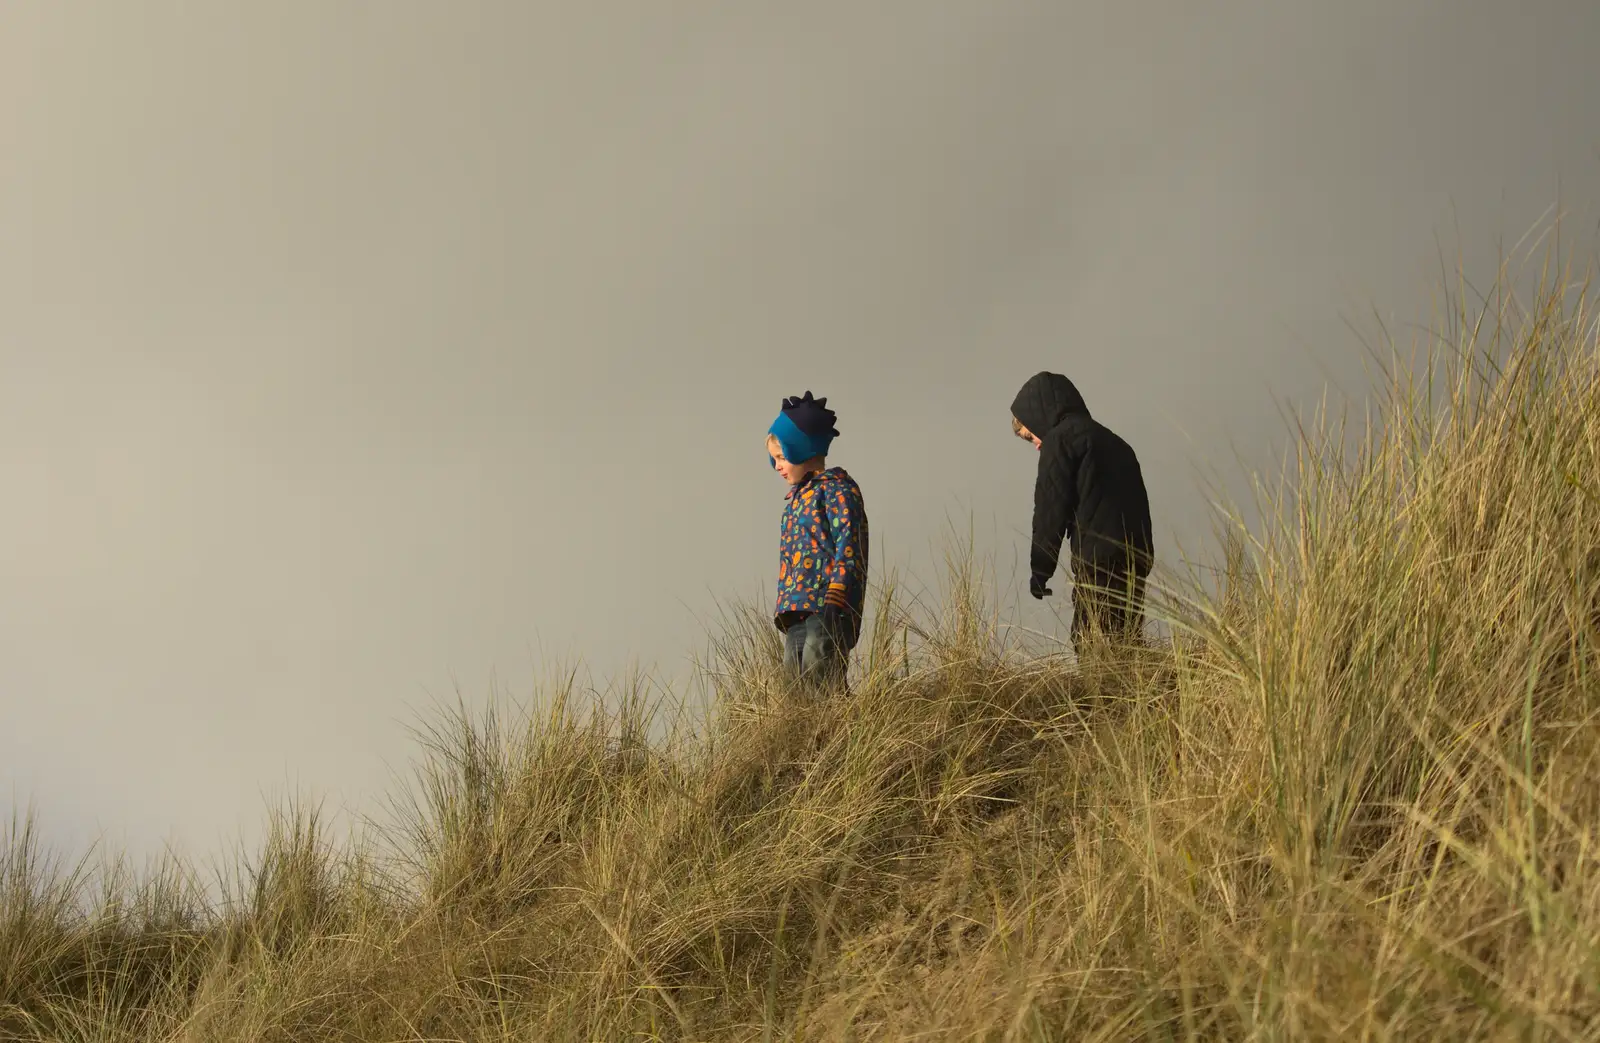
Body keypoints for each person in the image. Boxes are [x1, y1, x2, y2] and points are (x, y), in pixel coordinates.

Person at [1010, 371, 1153, 645]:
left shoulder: (1059, 442)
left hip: (1098, 564)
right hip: (1135, 561)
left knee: (1090, 645)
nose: (1036, 444)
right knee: (1128, 643)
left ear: (1041, 415)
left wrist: (1040, 571)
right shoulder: (1118, 444)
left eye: (1031, 436)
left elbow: (1050, 512)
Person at [766, 391, 869, 690]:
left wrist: (838, 586)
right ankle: (805, 735)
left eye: (782, 456)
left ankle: (839, 729)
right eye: (774, 459)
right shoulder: (796, 500)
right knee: (794, 681)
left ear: (803, 448)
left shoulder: (837, 489)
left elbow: (848, 543)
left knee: (819, 670)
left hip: (827, 602)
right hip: (796, 606)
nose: (778, 466)